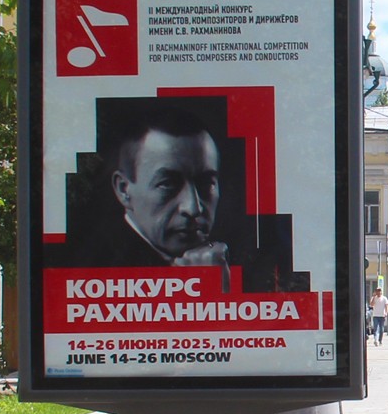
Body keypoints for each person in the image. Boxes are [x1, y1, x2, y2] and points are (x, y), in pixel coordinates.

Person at [75, 103, 306, 291]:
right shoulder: (92, 270)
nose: (193, 208)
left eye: (206, 184)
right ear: (124, 189)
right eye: (168, 184)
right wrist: (212, 293)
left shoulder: (258, 263)